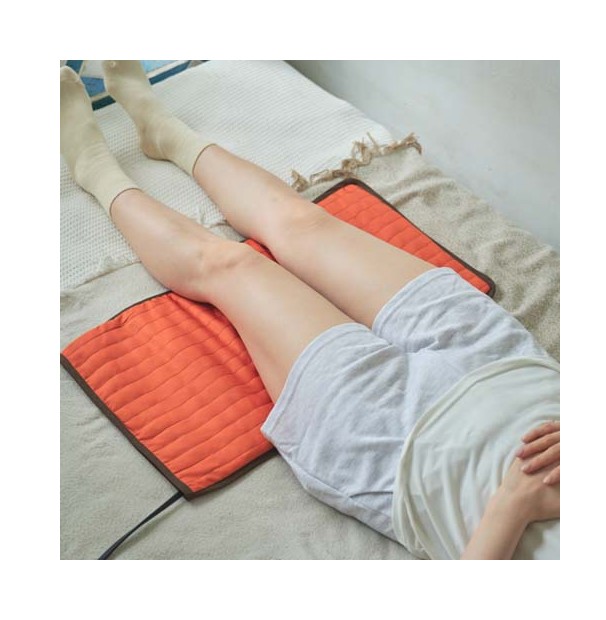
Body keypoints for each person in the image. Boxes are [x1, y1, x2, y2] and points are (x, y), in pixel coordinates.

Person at [60, 61, 560, 560]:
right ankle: (165, 132)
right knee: (301, 224)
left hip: (399, 448)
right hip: (505, 366)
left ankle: (94, 170)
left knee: (232, 266)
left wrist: (513, 504)